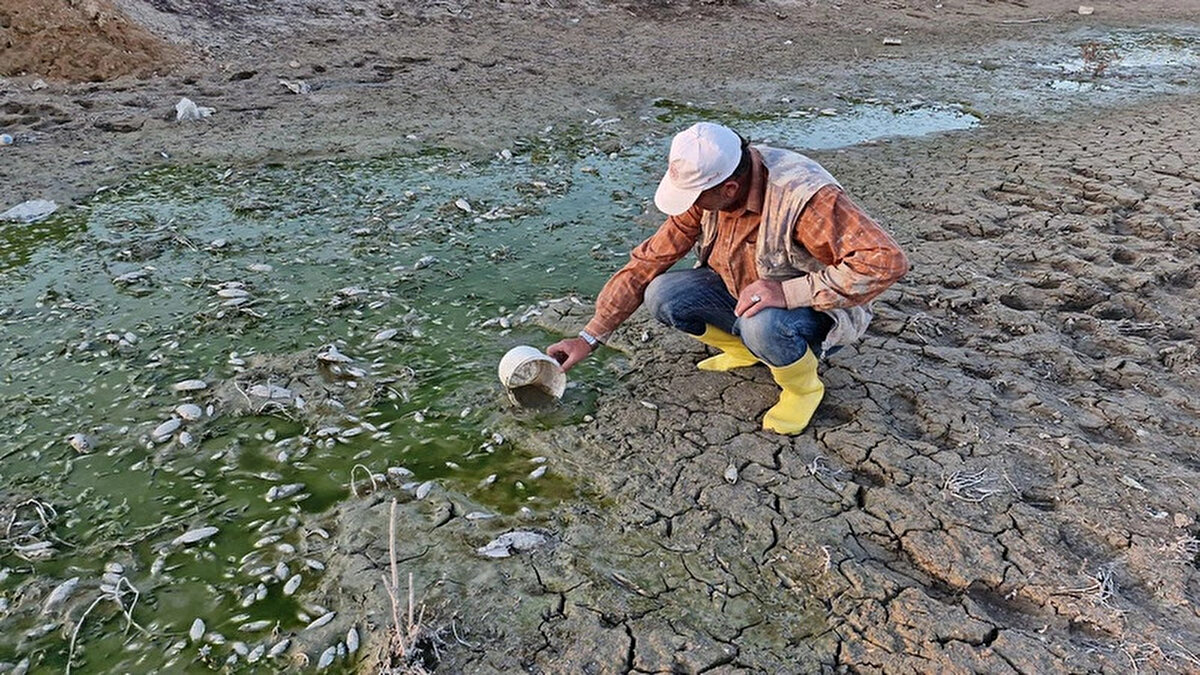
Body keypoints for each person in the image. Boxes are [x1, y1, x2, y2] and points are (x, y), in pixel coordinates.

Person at [547, 122, 908, 434]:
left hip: (812, 312)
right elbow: (648, 262)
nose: (692, 206)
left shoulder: (803, 198)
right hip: (742, 292)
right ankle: (745, 350)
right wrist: (589, 337)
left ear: (729, 189)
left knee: (761, 325)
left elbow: (886, 261)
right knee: (661, 293)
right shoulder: (711, 188)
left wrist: (789, 291)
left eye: (697, 198)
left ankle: (803, 389)